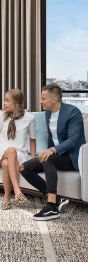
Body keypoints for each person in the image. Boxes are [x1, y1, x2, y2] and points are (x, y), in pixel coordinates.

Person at [20, 84, 86, 221]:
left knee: (47, 159)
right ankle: (58, 199)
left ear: (54, 99)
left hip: (72, 156)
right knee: (24, 168)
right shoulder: (48, 113)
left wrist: (51, 151)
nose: (40, 101)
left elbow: (73, 140)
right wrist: (49, 151)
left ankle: (51, 207)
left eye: (43, 98)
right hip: (56, 155)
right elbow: (52, 138)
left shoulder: (73, 112)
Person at [0, 89, 36, 210]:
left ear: (17, 103)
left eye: (7, 100)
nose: (4, 103)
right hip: (0, 151)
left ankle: (6, 199)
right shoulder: (1, 115)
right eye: (5, 100)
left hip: (20, 155)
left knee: (6, 164)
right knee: (11, 151)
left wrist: (33, 160)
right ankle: (17, 192)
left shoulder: (30, 118)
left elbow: (32, 139)